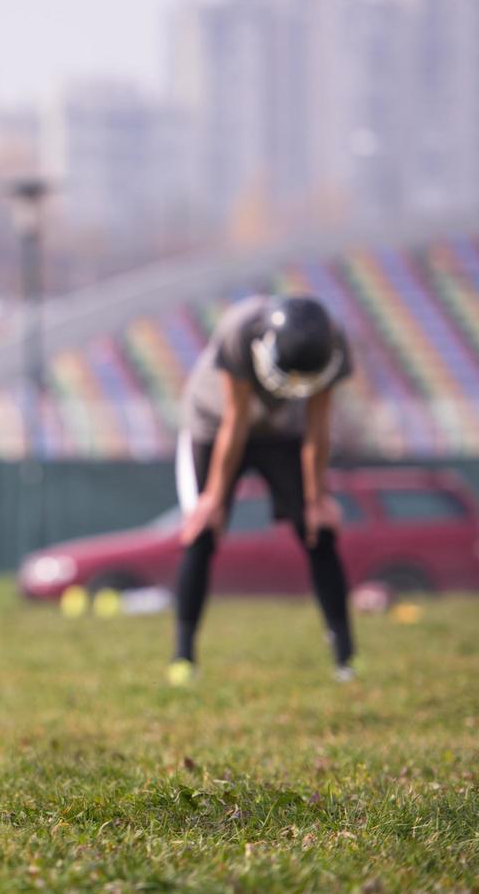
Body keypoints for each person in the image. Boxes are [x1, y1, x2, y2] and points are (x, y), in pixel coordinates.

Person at [169, 293, 356, 686]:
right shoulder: (239, 329)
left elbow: (317, 426)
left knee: (317, 529)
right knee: (201, 529)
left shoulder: (331, 343)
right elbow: (234, 421)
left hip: (280, 431)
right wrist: (215, 499)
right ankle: (183, 656)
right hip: (213, 424)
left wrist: (316, 497)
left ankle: (346, 657)